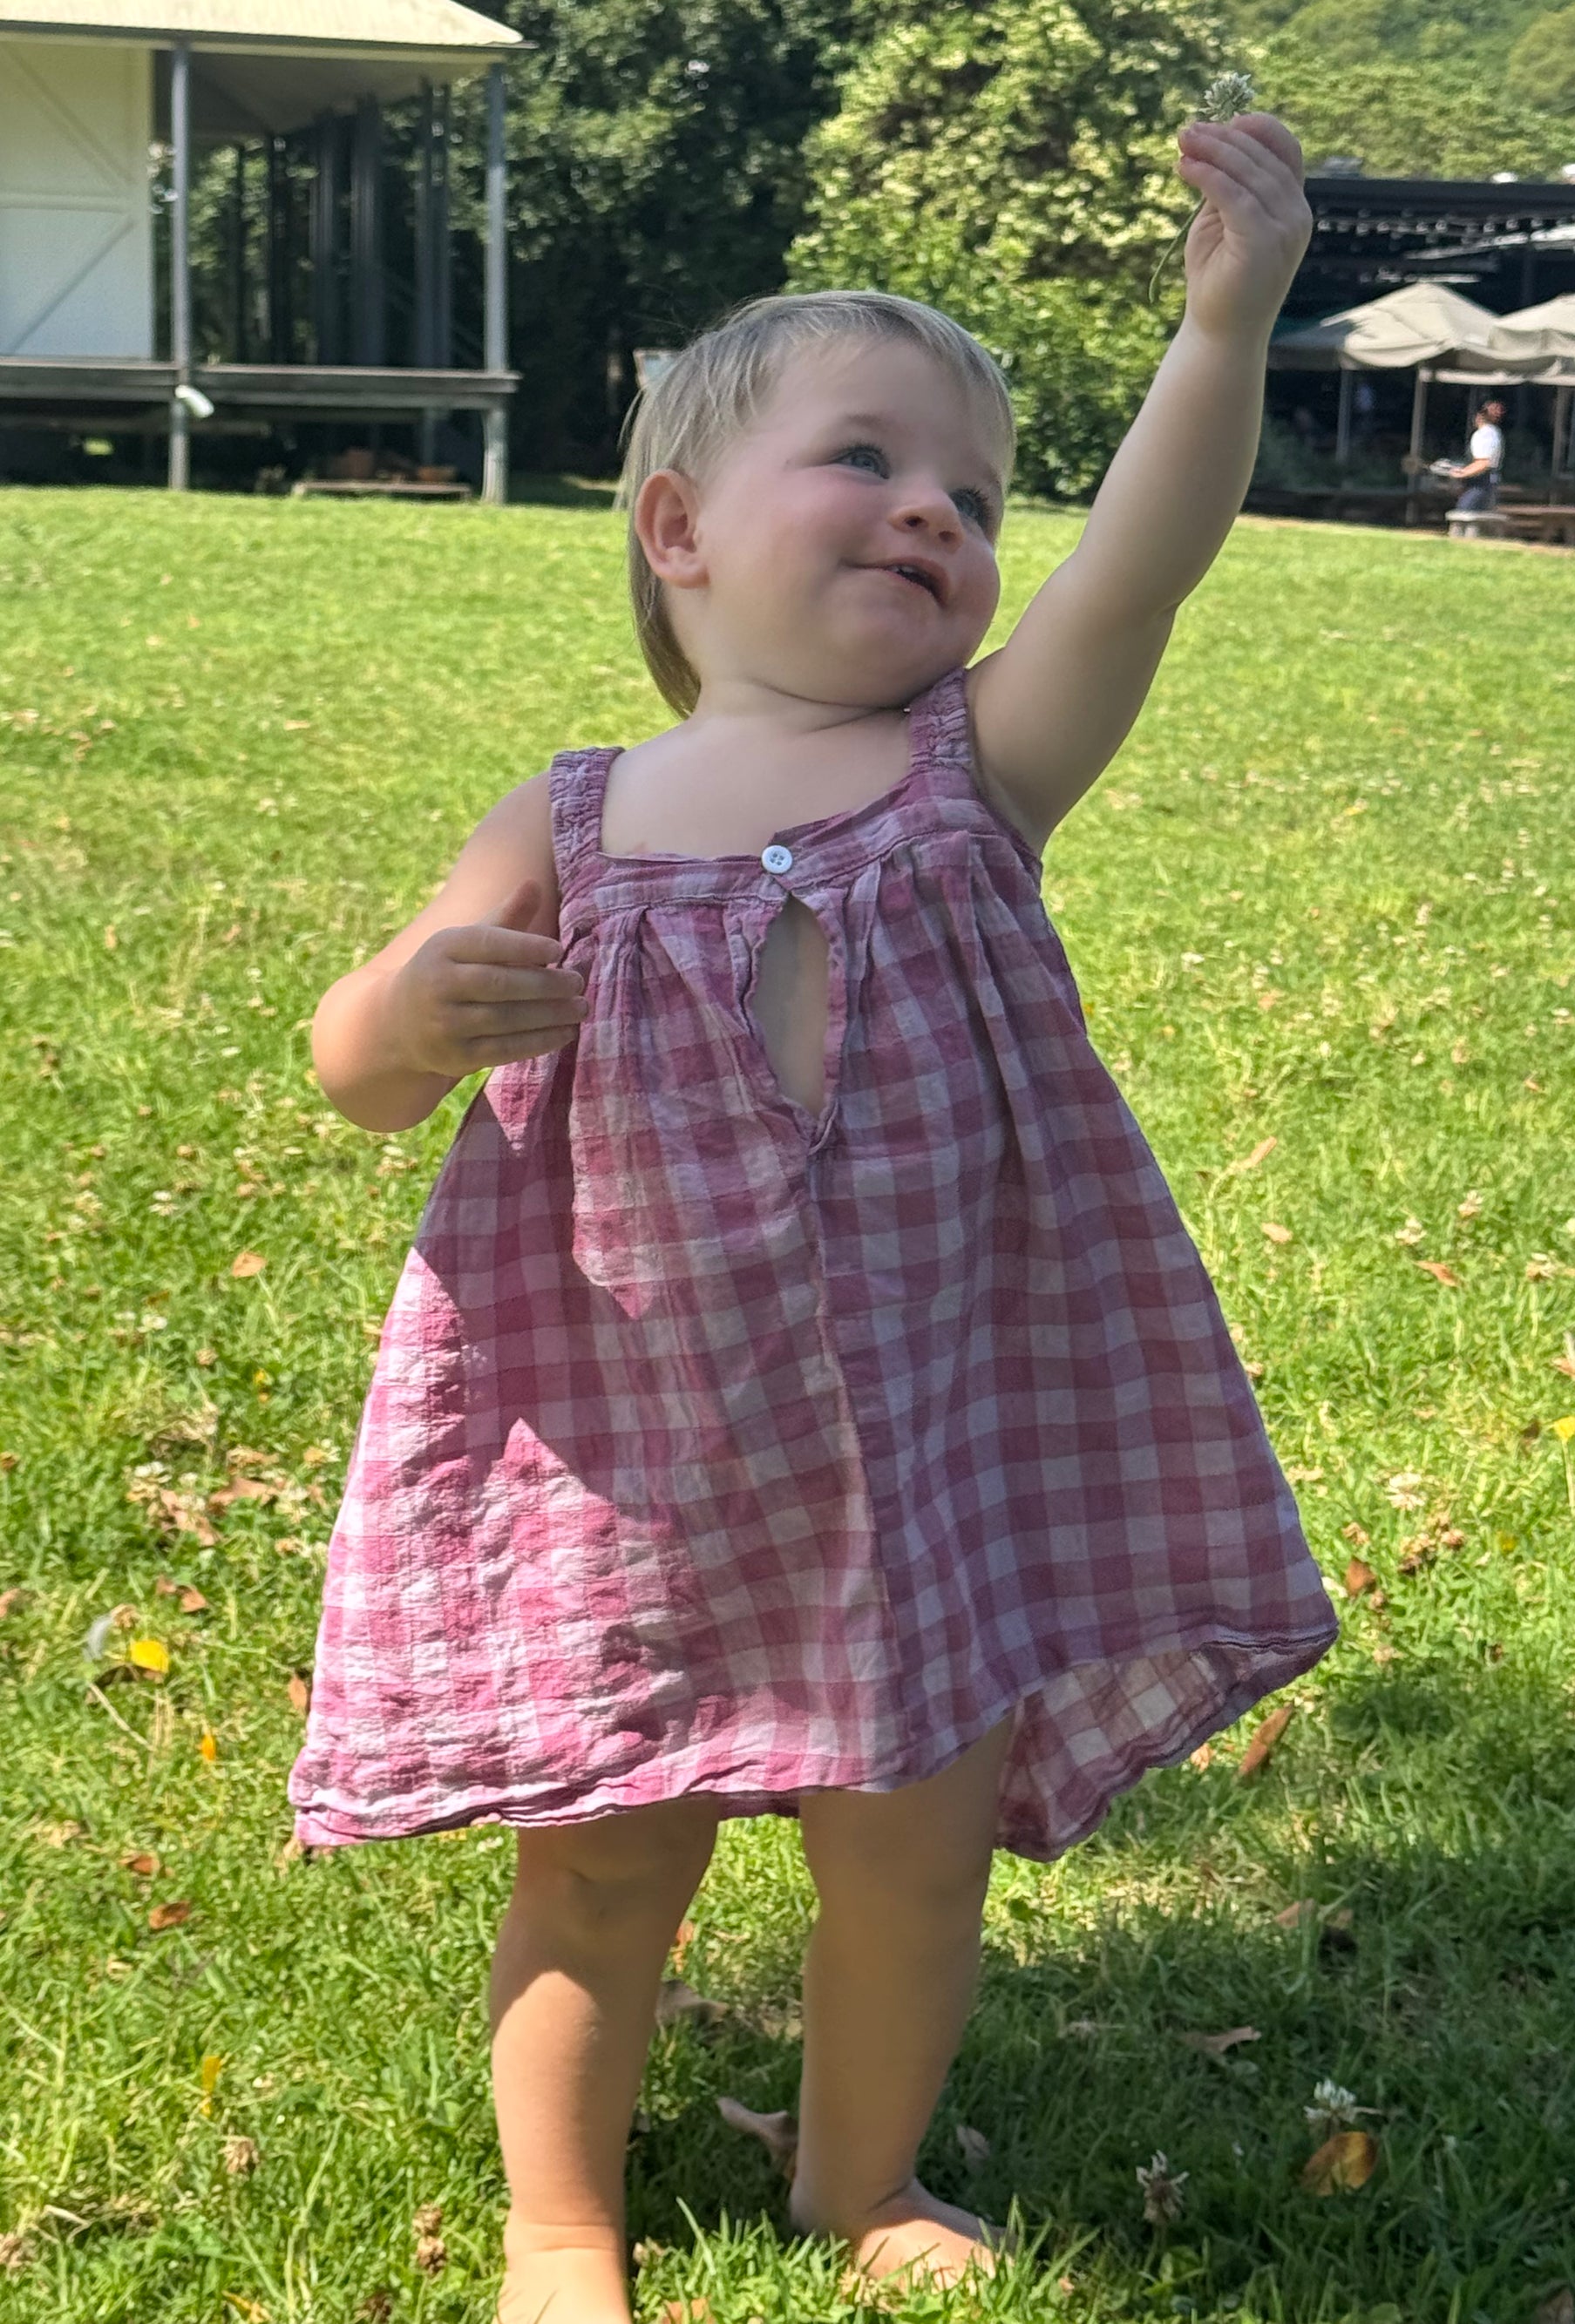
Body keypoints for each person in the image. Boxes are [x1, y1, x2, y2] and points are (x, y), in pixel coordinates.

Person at [288, 109, 1339, 2324]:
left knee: (908, 1858)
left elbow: (1138, 562)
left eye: (967, 493)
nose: (934, 515)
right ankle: (557, 2227)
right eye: (867, 462)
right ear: (676, 528)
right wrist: (410, 1003)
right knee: (599, 1859)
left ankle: (857, 2186)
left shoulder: (980, 769)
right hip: (635, 1454)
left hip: (919, 1457)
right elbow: (353, 1072)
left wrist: (1220, 320)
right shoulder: (567, 818)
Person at [1451, 397, 1505, 511]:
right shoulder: (1492, 433)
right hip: (1483, 482)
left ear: (1478, 416)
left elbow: (1483, 463)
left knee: (1464, 512)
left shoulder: (1485, 434)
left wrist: (1462, 473)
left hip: (1482, 483)